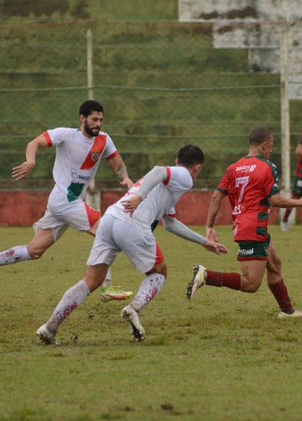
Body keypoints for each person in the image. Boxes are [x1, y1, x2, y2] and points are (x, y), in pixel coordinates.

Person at [36, 145, 228, 344]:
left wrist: (204, 242)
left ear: (178, 160)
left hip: (110, 219)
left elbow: (170, 224)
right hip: (132, 223)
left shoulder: (170, 188)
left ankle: (50, 327)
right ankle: (133, 308)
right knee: (159, 273)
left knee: (91, 281)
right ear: (198, 168)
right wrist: (139, 197)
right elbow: (158, 171)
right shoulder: (184, 176)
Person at [0, 100, 133, 300]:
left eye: (101, 120)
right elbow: (34, 142)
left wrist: (126, 178)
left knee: (34, 251)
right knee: (105, 231)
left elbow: (118, 165)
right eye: (94, 119)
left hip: (66, 203)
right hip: (64, 200)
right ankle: (106, 287)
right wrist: (31, 160)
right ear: (82, 118)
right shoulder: (66, 135)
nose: (98, 124)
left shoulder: (104, 140)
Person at [186, 127, 302, 318]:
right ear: (265, 145)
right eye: (271, 146)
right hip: (253, 227)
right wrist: (300, 202)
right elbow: (274, 200)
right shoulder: (267, 167)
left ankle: (287, 310)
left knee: (275, 264)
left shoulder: (234, 167)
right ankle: (207, 276)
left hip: (245, 225)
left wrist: (209, 227)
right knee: (251, 284)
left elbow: (216, 197)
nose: (271, 150)